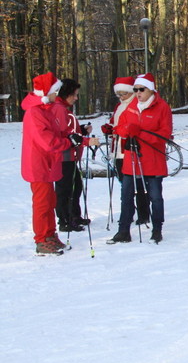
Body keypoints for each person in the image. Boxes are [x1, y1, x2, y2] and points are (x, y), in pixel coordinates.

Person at [21, 72, 90, 255]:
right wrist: (69, 142)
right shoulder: (35, 112)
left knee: (50, 201)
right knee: (42, 203)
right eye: (55, 91)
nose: (57, 94)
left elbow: (58, 132)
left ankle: (50, 235)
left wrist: (76, 138)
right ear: (47, 92)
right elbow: (48, 141)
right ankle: (42, 239)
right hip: (39, 165)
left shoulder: (45, 109)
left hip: (48, 164)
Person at [107, 73, 173, 245]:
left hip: (153, 160)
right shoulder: (131, 106)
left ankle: (157, 229)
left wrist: (141, 135)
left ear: (150, 89)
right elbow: (119, 127)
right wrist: (127, 130)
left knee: (155, 197)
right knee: (126, 195)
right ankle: (123, 230)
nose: (137, 93)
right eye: (135, 90)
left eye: (141, 89)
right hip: (132, 159)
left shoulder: (162, 107)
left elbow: (165, 134)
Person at [101, 76, 150, 224]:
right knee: (124, 185)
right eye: (119, 94)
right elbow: (115, 123)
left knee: (137, 185)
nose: (121, 97)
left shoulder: (137, 104)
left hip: (130, 150)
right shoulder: (120, 106)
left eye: (124, 93)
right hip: (118, 150)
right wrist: (110, 128)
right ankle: (128, 212)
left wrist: (119, 130)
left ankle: (143, 214)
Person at [51, 79, 93, 233]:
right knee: (66, 189)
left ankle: (74, 215)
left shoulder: (63, 109)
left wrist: (81, 130)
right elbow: (63, 134)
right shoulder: (59, 109)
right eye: (74, 95)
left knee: (76, 187)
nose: (76, 98)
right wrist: (84, 140)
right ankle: (65, 220)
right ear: (66, 94)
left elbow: (69, 132)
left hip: (71, 155)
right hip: (64, 156)